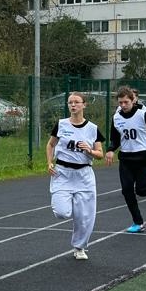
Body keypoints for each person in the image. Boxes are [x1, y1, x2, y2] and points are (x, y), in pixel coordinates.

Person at [46, 91, 105, 260]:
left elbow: (100, 154)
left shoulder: (92, 128)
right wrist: (49, 162)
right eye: (70, 102)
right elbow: (50, 145)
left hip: (84, 175)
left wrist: (89, 150)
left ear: (84, 104)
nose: (73, 105)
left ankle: (79, 247)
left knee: (85, 217)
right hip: (62, 172)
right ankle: (69, 204)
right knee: (62, 212)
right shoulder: (61, 124)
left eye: (76, 102)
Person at [104, 84, 146, 233]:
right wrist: (110, 150)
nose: (123, 105)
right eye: (120, 103)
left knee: (143, 191)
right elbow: (115, 139)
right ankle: (138, 222)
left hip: (143, 157)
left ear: (133, 101)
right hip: (126, 159)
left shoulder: (142, 115)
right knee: (127, 190)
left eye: (126, 102)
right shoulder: (116, 118)